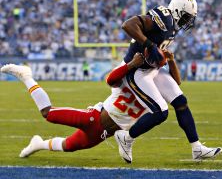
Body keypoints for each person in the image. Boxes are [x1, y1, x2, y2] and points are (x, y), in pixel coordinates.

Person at [111, 0, 222, 162]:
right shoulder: (164, 16)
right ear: (177, 11)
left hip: (152, 69)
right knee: (160, 112)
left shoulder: (172, 26)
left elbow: (176, 81)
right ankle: (126, 137)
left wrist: (166, 57)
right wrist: (149, 44)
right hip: (137, 70)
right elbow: (128, 25)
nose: (187, 22)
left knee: (180, 101)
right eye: (186, 17)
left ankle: (197, 148)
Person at [0, 53, 144, 161]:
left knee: (68, 146)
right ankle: (26, 76)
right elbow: (111, 79)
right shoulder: (131, 78)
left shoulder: (155, 91)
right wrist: (131, 64)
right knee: (48, 113)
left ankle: (38, 144)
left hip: (103, 134)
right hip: (92, 118)